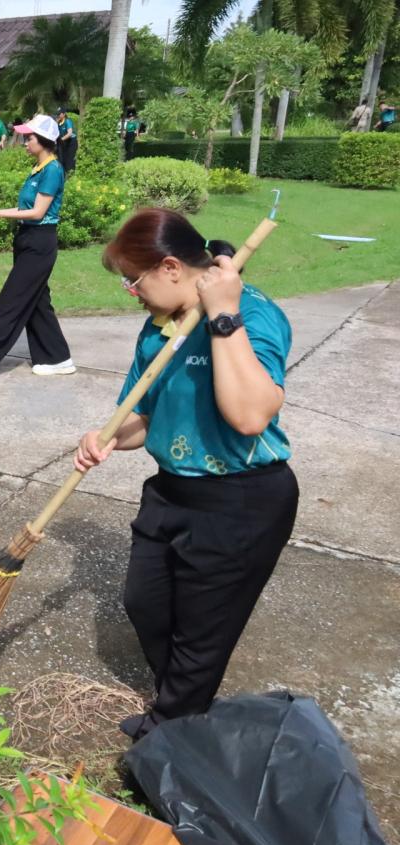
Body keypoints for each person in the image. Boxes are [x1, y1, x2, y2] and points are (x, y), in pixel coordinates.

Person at [75, 208, 298, 742]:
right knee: (144, 603)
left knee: (202, 635)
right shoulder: (156, 329)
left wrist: (223, 317)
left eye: (135, 278)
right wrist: (104, 436)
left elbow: (250, 414)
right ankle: (182, 706)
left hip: (241, 500)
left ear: (171, 267)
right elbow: (142, 417)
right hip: (172, 490)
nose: (130, 291)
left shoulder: (255, 313)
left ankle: (171, 735)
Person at [0, 114, 74, 381]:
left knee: (12, 301)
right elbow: (25, 208)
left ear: (43, 140)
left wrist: (5, 215)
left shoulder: (53, 170)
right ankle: (57, 358)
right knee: (37, 302)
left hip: (39, 242)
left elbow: (38, 212)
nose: (24, 142)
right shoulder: (39, 169)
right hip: (28, 240)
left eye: (29, 138)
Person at [56, 107, 78, 173]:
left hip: (71, 142)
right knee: (63, 157)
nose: (58, 115)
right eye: (57, 114)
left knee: (70, 158)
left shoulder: (67, 121)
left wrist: (61, 139)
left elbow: (70, 133)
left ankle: (70, 174)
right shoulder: (59, 123)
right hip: (64, 142)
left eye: (59, 114)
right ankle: (64, 173)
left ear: (64, 114)